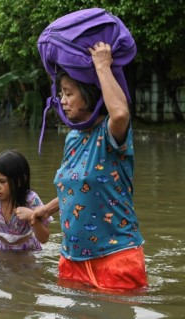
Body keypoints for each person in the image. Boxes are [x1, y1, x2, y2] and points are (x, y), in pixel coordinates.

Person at [27, 42, 147, 291]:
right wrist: (45, 210)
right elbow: (76, 188)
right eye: (61, 94)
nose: (63, 101)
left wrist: (102, 66)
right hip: (71, 260)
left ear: (89, 94)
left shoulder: (112, 135)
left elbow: (121, 114)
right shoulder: (72, 137)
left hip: (116, 257)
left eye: (69, 93)